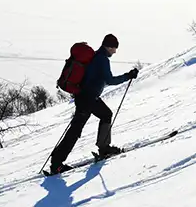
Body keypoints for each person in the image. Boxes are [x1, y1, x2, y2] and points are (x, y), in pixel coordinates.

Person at [49, 34, 138, 174]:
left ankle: (104, 147)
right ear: (108, 46)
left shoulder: (96, 56)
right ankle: (56, 164)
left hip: (87, 97)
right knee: (75, 130)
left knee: (106, 114)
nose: (115, 51)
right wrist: (128, 76)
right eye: (114, 48)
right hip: (87, 99)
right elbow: (110, 80)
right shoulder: (102, 59)